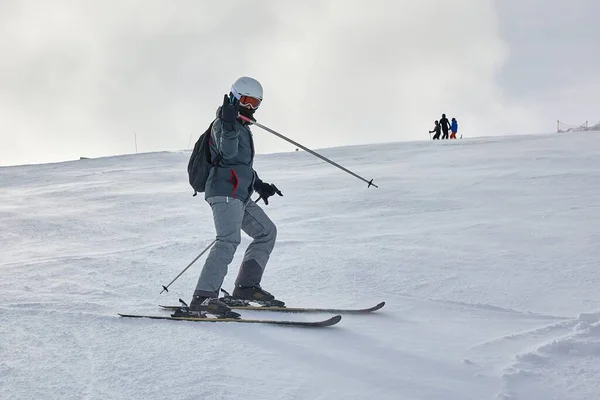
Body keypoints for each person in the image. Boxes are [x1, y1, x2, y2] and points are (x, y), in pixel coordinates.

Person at [189, 76, 284, 316]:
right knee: (228, 240)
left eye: (256, 103)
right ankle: (204, 297)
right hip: (223, 192)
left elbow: (240, 166)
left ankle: (246, 287)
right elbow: (228, 153)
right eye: (248, 101)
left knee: (266, 232)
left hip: (239, 194)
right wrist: (228, 122)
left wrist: (259, 184)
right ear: (235, 97)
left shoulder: (241, 127)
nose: (251, 108)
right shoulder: (223, 124)